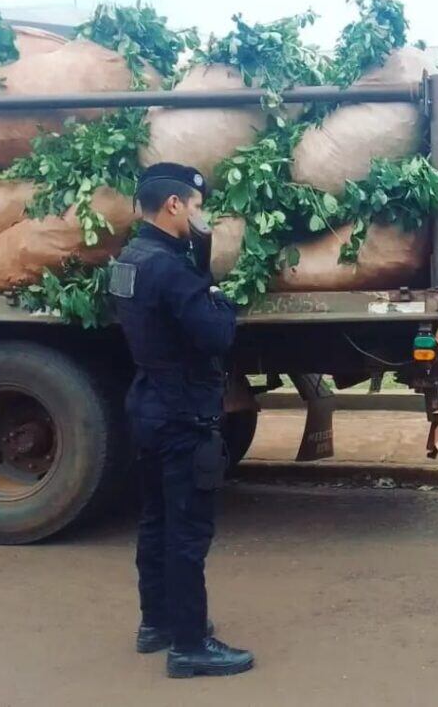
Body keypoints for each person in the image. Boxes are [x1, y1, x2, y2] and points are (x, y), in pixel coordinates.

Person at [109, 163, 254, 677]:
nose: (200, 216)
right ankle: (190, 646)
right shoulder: (172, 269)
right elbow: (215, 336)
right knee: (188, 531)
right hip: (182, 413)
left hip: (148, 403)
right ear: (174, 205)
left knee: (155, 521)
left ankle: (158, 624)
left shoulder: (129, 258)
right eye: (196, 207)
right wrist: (221, 300)